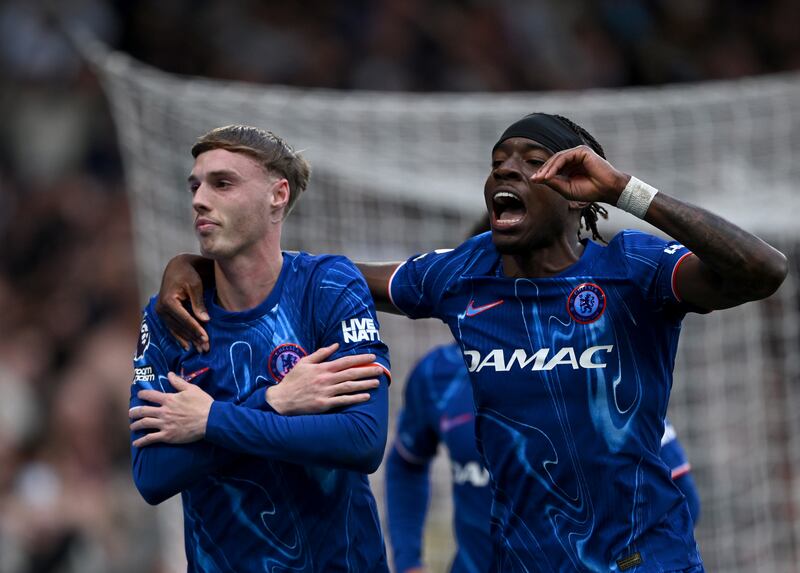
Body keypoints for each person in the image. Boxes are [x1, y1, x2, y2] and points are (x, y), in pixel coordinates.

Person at [156, 113, 787, 571]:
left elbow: (763, 270)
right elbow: (329, 277)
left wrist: (627, 191)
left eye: (532, 161)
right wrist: (204, 264)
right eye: (497, 161)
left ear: (579, 196)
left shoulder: (631, 269)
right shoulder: (465, 273)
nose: (507, 169)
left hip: (642, 559)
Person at [127, 125, 393, 571]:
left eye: (222, 183)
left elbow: (363, 439)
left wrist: (211, 420)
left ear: (278, 195)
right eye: (195, 186)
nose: (199, 199)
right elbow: (152, 475)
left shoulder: (328, 286)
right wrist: (273, 401)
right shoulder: (171, 314)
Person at [386, 341, 701, 573]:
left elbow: (682, 497)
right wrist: (408, 561)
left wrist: (620, 565)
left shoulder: (595, 366)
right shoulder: (438, 374)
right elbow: (406, 462)